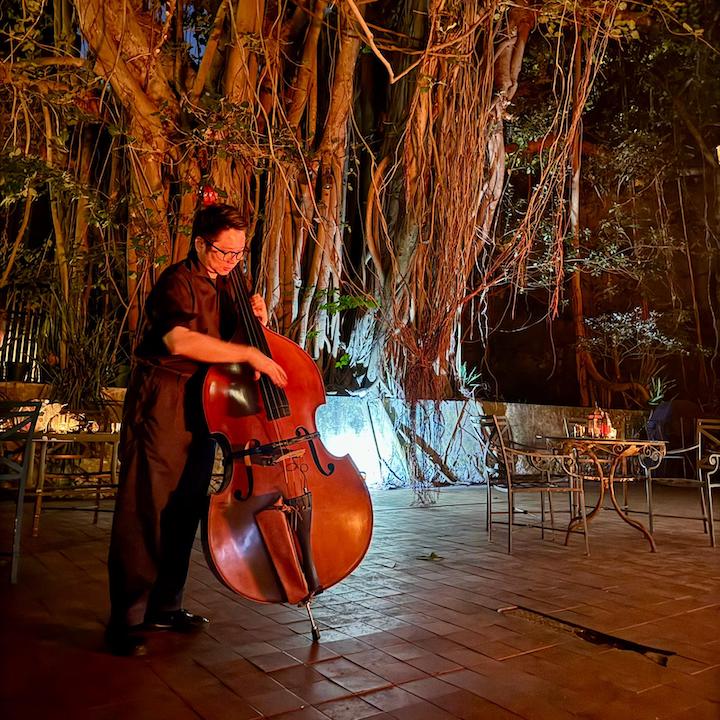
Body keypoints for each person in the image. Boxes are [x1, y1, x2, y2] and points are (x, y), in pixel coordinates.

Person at [105, 203, 287, 656]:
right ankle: (125, 618)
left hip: (207, 406)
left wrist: (255, 320)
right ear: (200, 243)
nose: (231, 261)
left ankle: (166, 606)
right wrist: (245, 354)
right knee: (145, 505)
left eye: (239, 254)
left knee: (186, 506)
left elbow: (236, 339)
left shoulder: (231, 283)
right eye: (224, 252)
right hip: (164, 399)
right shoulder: (176, 281)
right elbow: (179, 340)